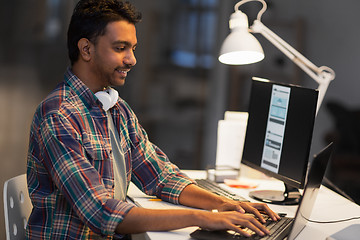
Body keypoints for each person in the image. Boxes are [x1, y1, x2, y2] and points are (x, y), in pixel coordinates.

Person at [26, 0, 280, 239]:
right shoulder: (59, 116)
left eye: (133, 49)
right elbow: (101, 212)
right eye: (120, 48)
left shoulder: (117, 109)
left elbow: (160, 176)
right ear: (86, 49)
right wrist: (204, 218)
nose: (132, 59)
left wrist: (226, 204)